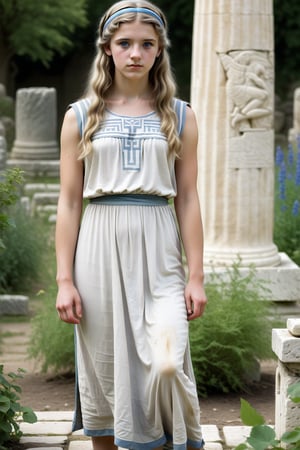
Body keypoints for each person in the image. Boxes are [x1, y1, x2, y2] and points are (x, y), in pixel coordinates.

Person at [55, 1, 207, 449]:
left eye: (146, 44)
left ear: (160, 51)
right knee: (106, 375)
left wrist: (195, 275)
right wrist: (64, 279)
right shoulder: (80, 116)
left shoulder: (180, 115)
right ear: (107, 48)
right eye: (124, 43)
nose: (135, 53)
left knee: (166, 362)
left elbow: (189, 197)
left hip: (159, 249)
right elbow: (67, 203)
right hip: (97, 251)